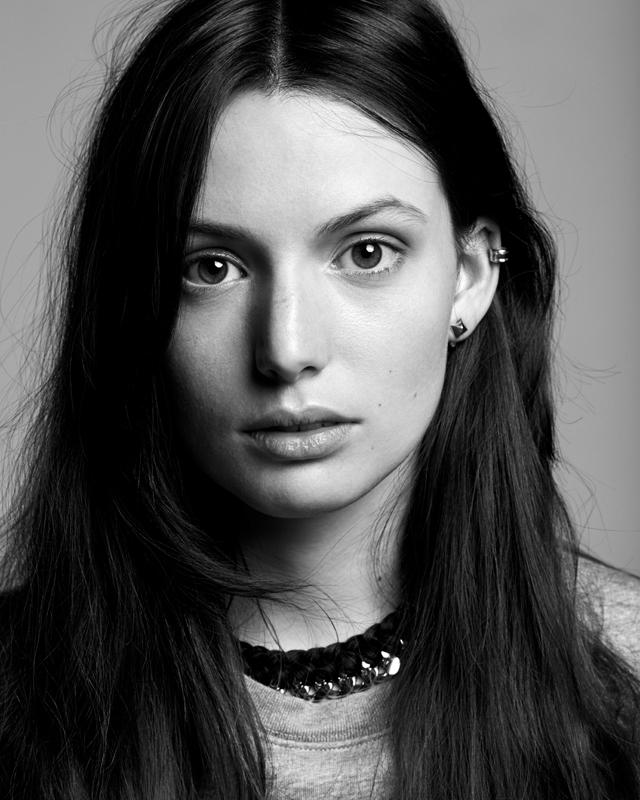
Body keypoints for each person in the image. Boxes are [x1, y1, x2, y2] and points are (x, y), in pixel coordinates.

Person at [1, 0, 638, 797]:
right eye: (211, 268)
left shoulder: (625, 680)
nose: (287, 348)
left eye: (367, 253)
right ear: (133, 304)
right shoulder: (16, 705)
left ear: (470, 276)